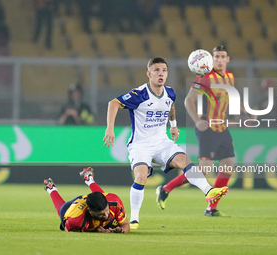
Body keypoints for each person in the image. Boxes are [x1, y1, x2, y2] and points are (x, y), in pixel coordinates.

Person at [103, 57, 229, 230]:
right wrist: (110, 128)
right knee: (140, 176)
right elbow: (113, 103)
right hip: (141, 145)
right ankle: (134, 219)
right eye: (156, 70)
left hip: (162, 142)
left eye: (164, 70)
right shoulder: (139, 94)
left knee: (184, 161)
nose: (160, 73)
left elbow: (170, 107)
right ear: (149, 74)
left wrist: (174, 127)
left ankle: (209, 192)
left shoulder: (170, 92)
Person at [156, 46, 249, 217]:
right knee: (205, 169)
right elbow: (188, 101)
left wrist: (246, 110)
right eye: (216, 57)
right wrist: (198, 121)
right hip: (207, 128)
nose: (219, 60)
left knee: (228, 165)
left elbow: (229, 99)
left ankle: (211, 208)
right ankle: (166, 188)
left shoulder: (230, 77)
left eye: (222, 57)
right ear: (212, 59)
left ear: (228, 59)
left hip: (222, 128)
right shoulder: (205, 77)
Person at [43, 167, 130, 233]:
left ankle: (89, 178)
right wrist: (94, 229)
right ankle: (51, 188)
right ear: (90, 211)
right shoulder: (76, 220)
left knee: (100, 197)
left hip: (92, 200)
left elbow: (126, 225)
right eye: (102, 214)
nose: (107, 215)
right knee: (61, 208)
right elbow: (67, 229)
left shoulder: (114, 202)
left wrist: (121, 231)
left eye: (107, 211)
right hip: (73, 207)